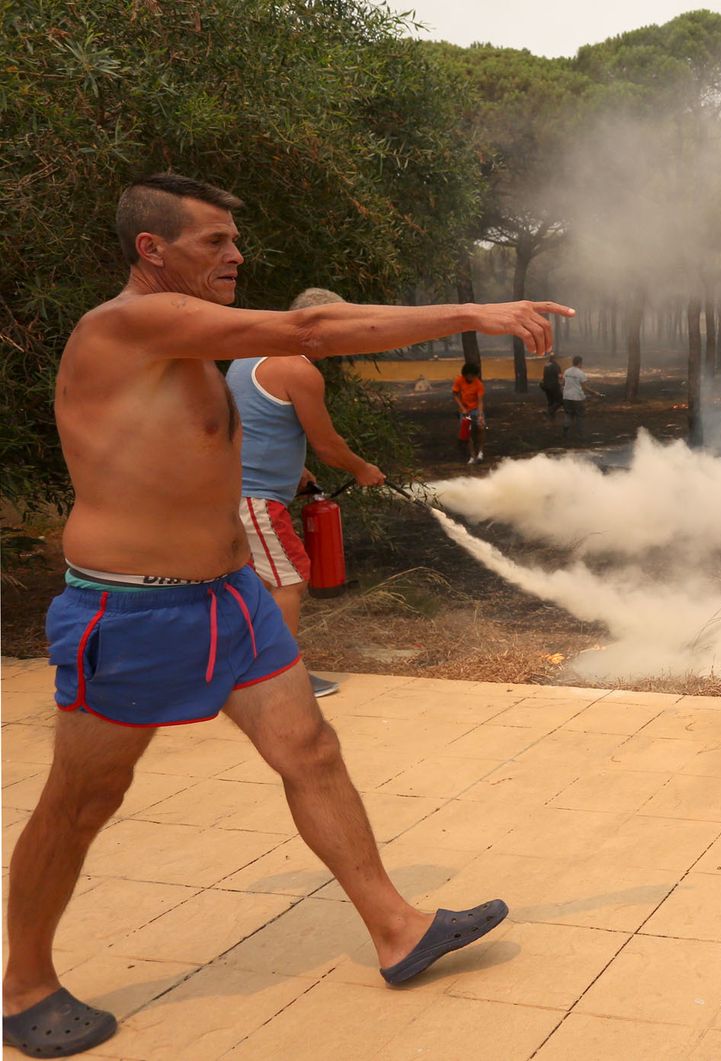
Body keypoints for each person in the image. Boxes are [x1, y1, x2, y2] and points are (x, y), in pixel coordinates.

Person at [1, 172, 573, 1058]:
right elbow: (310, 328)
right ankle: (26, 983)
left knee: (311, 749)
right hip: (134, 611)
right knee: (83, 798)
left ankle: (396, 927)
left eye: (236, 240)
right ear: (152, 250)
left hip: (233, 599)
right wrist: (477, 311)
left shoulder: (192, 343)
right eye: (215, 242)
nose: (237, 255)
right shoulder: (124, 324)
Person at [227, 287, 383, 699]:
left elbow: (255, 425)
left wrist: (296, 469)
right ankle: (281, 680)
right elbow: (329, 444)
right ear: (315, 326)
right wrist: (362, 469)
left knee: (259, 585)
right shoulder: (299, 371)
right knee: (290, 581)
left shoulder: (247, 358)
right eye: (339, 329)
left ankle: (248, 669)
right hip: (256, 500)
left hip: (232, 492)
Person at [451, 361, 487, 463]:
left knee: (481, 428)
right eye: (469, 375)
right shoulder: (459, 380)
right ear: (465, 374)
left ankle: (480, 452)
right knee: (467, 432)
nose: (471, 377)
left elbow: (480, 401)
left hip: (475, 409)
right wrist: (462, 408)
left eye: (473, 375)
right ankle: (472, 456)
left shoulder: (479, 384)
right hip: (465, 410)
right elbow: (455, 395)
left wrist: (480, 415)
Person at [560, 354, 602, 437]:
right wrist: (595, 393)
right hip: (577, 398)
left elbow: (563, 383)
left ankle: (565, 430)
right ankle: (580, 433)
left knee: (568, 414)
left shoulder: (566, 371)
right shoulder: (581, 373)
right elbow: (585, 387)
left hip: (566, 397)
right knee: (580, 415)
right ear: (580, 363)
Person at [539, 352, 563, 420]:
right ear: (555, 358)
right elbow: (559, 376)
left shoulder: (546, 365)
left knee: (550, 402)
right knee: (560, 401)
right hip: (553, 386)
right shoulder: (555, 365)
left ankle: (551, 418)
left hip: (545, 386)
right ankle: (549, 412)